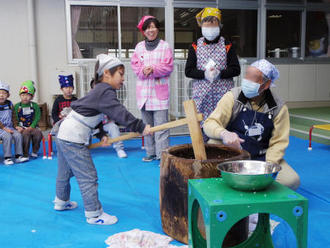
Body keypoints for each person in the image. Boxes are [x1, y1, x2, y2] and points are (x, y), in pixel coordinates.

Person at [54, 54, 151, 225]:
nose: (123, 79)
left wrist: (101, 135)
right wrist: (140, 126)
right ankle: (94, 214)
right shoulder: (105, 91)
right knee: (88, 176)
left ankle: (61, 202)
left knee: (65, 172)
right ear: (107, 73)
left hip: (64, 134)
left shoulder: (99, 91)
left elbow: (91, 115)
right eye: (120, 74)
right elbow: (119, 112)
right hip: (73, 138)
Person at [203, 59, 300, 190]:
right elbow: (210, 123)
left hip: (260, 158)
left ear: (266, 84)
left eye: (253, 78)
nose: (247, 80)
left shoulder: (278, 108)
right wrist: (224, 133)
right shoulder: (233, 97)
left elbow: (278, 143)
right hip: (230, 155)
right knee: (212, 145)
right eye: (246, 75)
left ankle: (244, 184)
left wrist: (267, 168)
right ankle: (244, 184)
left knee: (291, 180)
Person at [185, 7, 240, 141]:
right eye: (206, 24)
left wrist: (220, 73)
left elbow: (236, 69)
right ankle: (203, 156)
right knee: (202, 127)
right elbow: (188, 70)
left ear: (219, 26)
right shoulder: (195, 46)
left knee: (224, 125)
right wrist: (204, 74)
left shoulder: (227, 45)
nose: (210, 28)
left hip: (223, 96)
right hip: (202, 97)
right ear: (201, 26)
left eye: (213, 24)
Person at [131, 15, 173, 162]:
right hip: (144, 93)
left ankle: (163, 155)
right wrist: (143, 71)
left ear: (158, 29)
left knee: (162, 127)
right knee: (147, 126)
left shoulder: (164, 46)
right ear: (144, 31)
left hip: (159, 93)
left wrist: (153, 69)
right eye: (148, 27)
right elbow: (135, 66)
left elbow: (168, 67)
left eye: (154, 27)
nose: (151, 30)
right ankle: (150, 153)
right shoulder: (139, 47)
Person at [90, 79, 127, 158]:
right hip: (93, 126)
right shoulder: (90, 102)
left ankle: (119, 149)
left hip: (106, 124)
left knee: (113, 127)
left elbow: (118, 114)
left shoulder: (109, 100)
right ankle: (84, 149)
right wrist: (101, 134)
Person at [0, 81, 28, 165]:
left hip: (10, 127)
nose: (1, 95)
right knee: (7, 136)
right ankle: (7, 157)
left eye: (4, 93)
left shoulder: (9, 104)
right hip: (1, 129)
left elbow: (13, 117)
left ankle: (18, 156)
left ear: (8, 95)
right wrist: (5, 128)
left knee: (18, 135)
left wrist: (16, 126)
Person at [14, 80, 43, 160]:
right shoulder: (17, 106)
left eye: (27, 95)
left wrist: (32, 126)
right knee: (25, 134)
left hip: (33, 127)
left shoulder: (35, 105)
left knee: (38, 133)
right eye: (23, 95)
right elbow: (15, 118)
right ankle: (25, 154)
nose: (25, 97)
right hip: (21, 127)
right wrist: (18, 127)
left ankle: (34, 151)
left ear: (32, 96)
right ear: (20, 95)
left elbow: (37, 116)